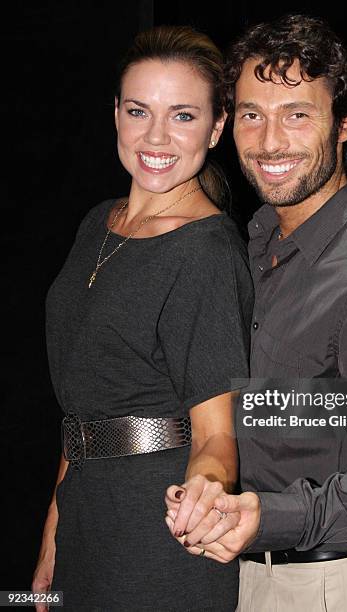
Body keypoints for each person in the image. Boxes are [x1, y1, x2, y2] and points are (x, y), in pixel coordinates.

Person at [165, 14, 347, 611]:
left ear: (345, 124)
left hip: (335, 587)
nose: (270, 141)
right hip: (259, 579)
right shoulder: (259, 241)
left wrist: (271, 515)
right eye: (252, 114)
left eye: (297, 114)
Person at [32, 25, 253, 612]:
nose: (156, 136)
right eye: (138, 111)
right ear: (116, 114)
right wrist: (53, 535)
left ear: (217, 125)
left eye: (183, 115)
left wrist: (206, 490)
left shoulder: (206, 252)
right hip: (84, 517)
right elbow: (86, 404)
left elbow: (215, 433)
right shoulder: (97, 224)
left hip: (157, 536)